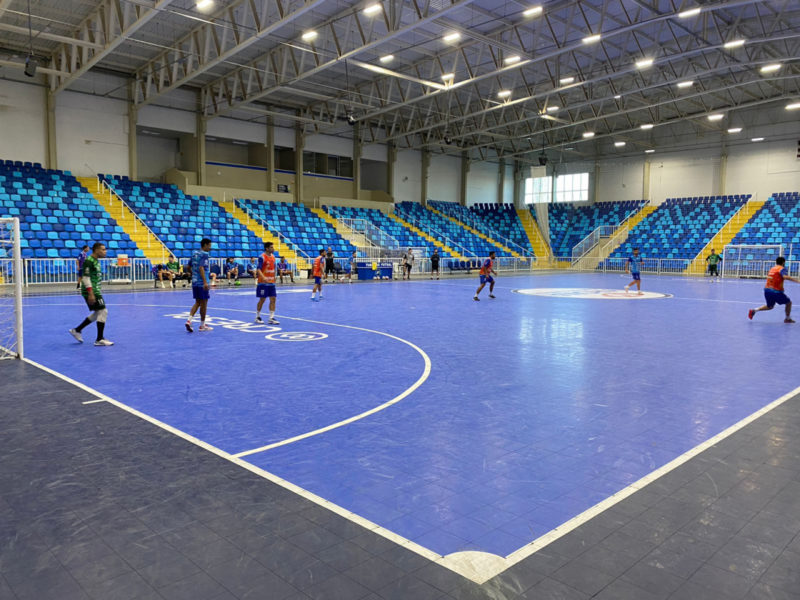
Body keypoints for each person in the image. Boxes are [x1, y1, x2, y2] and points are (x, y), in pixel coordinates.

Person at [69, 242, 113, 346]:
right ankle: (99, 339)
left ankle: (77, 330)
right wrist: (91, 293)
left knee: (98, 313)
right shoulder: (89, 261)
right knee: (103, 311)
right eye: (103, 249)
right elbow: (86, 278)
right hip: (91, 290)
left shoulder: (96, 261)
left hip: (95, 289)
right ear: (96, 250)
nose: (105, 251)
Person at [748, 256, 799, 323]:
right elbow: (785, 276)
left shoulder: (772, 268)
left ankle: (754, 310)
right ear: (783, 262)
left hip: (767, 290)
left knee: (770, 306)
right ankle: (787, 319)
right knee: (789, 303)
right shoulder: (782, 269)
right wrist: (797, 281)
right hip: (775, 291)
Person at [185, 238, 213, 332]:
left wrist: (193, 274)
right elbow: (201, 267)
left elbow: (188, 267)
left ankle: (189, 320)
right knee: (204, 304)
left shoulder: (194, 254)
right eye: (209, 246)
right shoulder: (205, 255)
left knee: (197, 302)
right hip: (202, 283)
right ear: (205, 245)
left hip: (195, 282)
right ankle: (202, 325)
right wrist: (205, 282)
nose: (210, 248)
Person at [255, 242, 279, 324]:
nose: (273, 249)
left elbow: (274, 267)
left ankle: (271, 318)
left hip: (271, 282)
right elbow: (258, 269)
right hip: (263, 283)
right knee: (262, 299)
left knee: (273, 299)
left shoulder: (273, 257)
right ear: (267, 248)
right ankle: (257, 316)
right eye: (271, 247)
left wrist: (275, 276)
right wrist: (263, 277)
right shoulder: (262, 257)